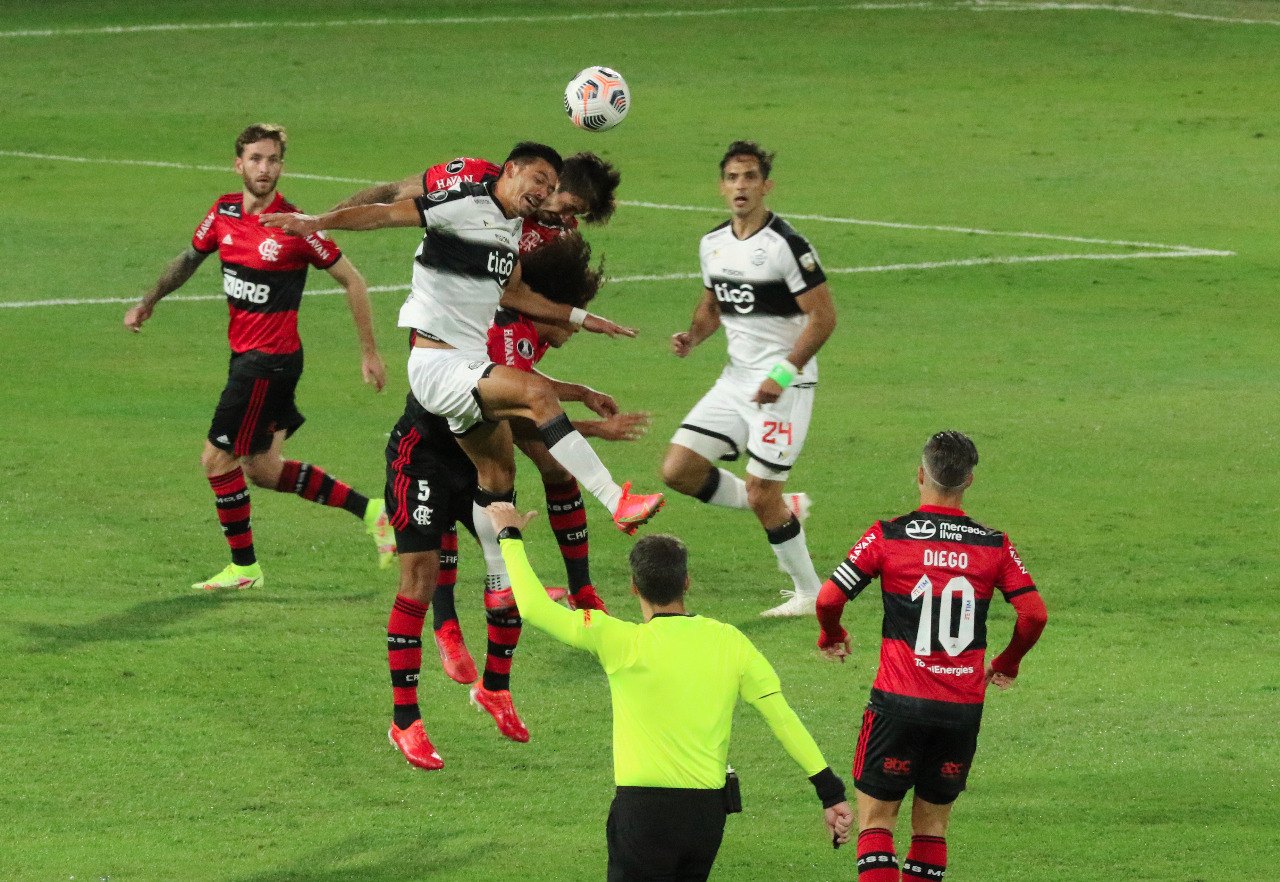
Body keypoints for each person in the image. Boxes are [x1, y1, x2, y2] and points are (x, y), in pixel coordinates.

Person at [262, 142, 664, 609]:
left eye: (552, 189)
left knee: (497, 475)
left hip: (466, 363)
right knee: (534, 391)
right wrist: (318, 222)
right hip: (438, 363)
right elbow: (387, 213)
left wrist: (582, 318)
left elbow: (515, 297)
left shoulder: (511, 230)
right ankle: (617, 501)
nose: (545, 195)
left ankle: (499, 585)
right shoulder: (462, 202)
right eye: (538, 180)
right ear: (510, 170)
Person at [486, 502, 855, 881]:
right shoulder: (729, 641)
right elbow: (782, 718)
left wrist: (509, 536)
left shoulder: (616, 638)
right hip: (706, 817)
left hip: (643, 813)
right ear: (686, 583)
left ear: (634, 588)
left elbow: (531, 607)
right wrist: (830, 792)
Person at [384, 234, 638, 763]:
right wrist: (588, 423)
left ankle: (495, 688)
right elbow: (525, 417)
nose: (570, 326)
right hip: (427, 455)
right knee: (419, 579)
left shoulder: (517, 337)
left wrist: (578, 392)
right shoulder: (497, 328)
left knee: (509, 580)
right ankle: (405, 718)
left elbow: (526, 390)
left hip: (485, 462)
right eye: (568, 316)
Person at [123, 123, 392, 591]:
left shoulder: (295, 225)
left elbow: (354, 280)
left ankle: (245, 569)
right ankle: (373, 512)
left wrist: (369, 352)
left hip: (268, 363)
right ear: (239, 164)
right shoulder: (223, 212)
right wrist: (150, 300)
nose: (264, 169)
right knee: (264, 470)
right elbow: (189, 258)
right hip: (247, 358)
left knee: (216, 459)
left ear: (281, 166)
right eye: (255, 159)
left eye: (272, 160)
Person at [814, 431, 1048, 881]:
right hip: (960, 709)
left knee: (877, 821)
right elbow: (1034, 615)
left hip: (896, 703)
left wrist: (833, 633)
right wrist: (1008, 661)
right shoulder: (993, 544)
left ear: (921, 475)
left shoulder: (888, 536)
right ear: (969, 481)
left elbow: (827, 599)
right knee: (933, 828)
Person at [661, 140, 837, 618]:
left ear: (766, 186)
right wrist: (693, 337)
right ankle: (782, 507)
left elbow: (822, 318)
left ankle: (808, 594)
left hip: (784, 387)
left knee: (762, 490)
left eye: (750, 178)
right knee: (677, 470)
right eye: (733, 178)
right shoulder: (712, 244)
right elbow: (713, 306)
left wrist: (783, 372)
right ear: (722, 187)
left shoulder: (788, 246)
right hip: (735, 381)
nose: (741, 186)